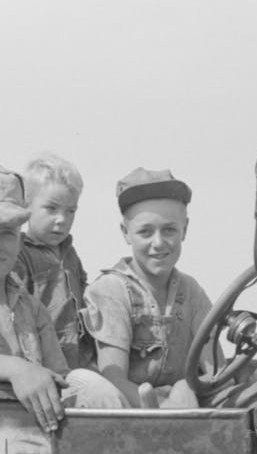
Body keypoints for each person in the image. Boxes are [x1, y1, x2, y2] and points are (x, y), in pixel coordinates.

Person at [0, 166, 128, 433]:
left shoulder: (31, 306)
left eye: (7, 233)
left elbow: (60, 376)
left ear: (20, 239)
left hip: (35, 424)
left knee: (90, 385)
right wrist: (19, 370)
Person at [81, 168, 220, 408]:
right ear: (126, 233)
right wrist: (164, 409)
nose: (158, 243)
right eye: (145, 232)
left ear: (184, 229)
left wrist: (185, 386)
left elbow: (217, 368)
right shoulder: (110, 291)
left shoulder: (191, 291)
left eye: (169, 230)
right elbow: (114, 379)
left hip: (187, 409)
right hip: (134, 415)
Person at [13, 153, 93, 369]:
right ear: (26, 205)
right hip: (44, 358)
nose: (62, 220)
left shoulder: (70, 253)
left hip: (78, 356)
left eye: (71, 211)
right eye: (51, 208)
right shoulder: (19, 254)